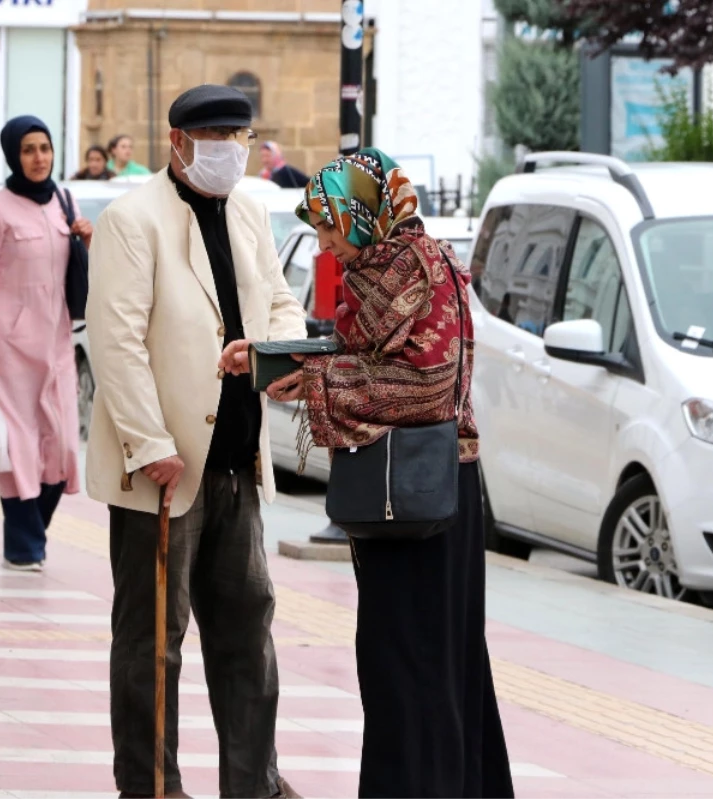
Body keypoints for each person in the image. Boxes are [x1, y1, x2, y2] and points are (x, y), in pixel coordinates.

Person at [246, 148, 516, 799]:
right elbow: (371, 353)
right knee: (441, 663)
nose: (331, 242)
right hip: (433, 492)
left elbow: (420, 387)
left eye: (336, 225)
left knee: (411, 667)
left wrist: (313, 379)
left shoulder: (407, 269)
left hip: (421, 499)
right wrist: (283, 359)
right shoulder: (407, 262)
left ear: (367, 213)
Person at [87, 84, 307, 799]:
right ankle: (152, 785)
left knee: (248, 632)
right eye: (215, 137)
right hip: (164, 469)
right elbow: (114, 343)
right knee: (154, 642)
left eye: (239, 137)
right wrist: (150, 442)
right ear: (179, 142)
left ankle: (255, 782)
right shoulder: (131, 218)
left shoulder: (248, 209)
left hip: (238, 461)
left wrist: (278, 355)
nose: (229, 151)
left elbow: (279, 300)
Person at [0, 115, 93, 572]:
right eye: (28, 150)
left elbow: (74, 273)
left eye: (44, 148)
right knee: (19, 445)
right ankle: (24, 545)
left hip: (58, 341)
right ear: (12, 155)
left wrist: (88, 241)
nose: (38, 158)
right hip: (9, 347)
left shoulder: (64, 200)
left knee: (60, 443)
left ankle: (32, 533)